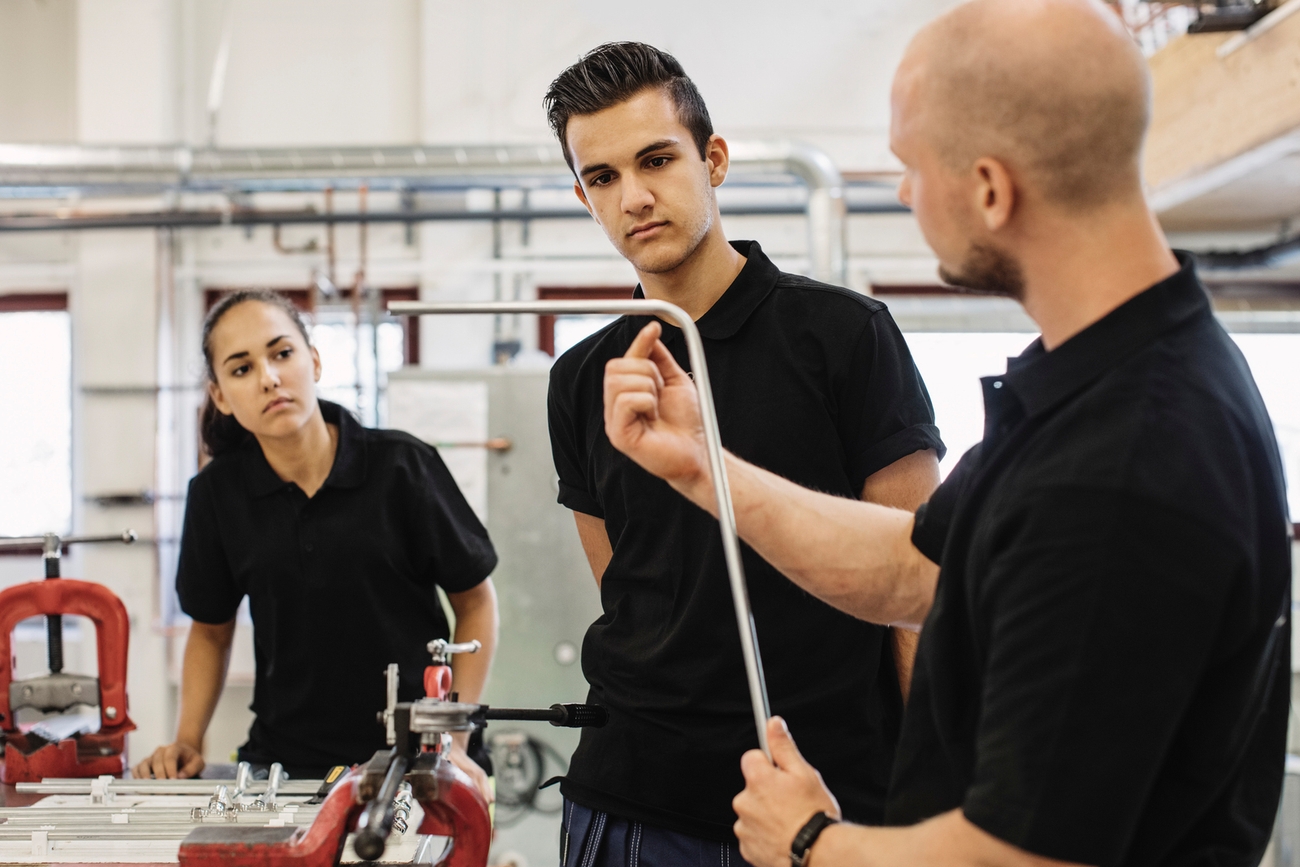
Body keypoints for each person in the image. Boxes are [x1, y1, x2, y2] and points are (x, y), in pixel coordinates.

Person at [600, 2, 1292, 866]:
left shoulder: (1124, 459)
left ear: (992, 189)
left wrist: (812, 840)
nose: (902, 193)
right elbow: (915, 566)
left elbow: (1022, 856)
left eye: (910, 166)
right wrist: (705, 467)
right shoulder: (1101, 378)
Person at [542, 43, 945, 867]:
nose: (636, 196)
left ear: (713, 159)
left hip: (822, 797)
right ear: (584, 197)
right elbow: (631, 591)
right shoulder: (583, 378)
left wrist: (927, 785)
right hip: (632, 802)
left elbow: (920, 590)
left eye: (656, 159)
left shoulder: (845, 337)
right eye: (604, 177)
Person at [133, 290, 499, 802]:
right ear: (220, 396)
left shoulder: (401, 467)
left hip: (417, 759)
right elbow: (210, 633)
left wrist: (453, 741)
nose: (268, 378)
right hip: (286, 767)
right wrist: (188, 740)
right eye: (241, 369)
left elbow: (476, 602)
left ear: (315, 361)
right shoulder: (217, 494)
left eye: (282, 354)